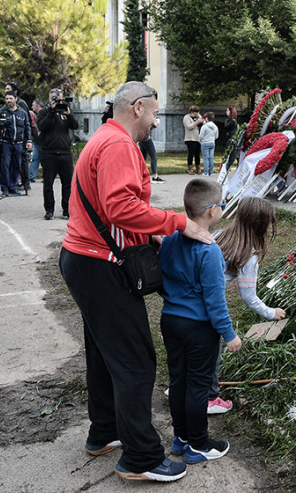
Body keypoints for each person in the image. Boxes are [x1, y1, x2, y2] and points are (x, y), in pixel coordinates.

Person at [59, 81, 213, 483]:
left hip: (83, 259)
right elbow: (120, 207)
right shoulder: (119, 144)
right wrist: (177, 222)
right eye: (156, 114)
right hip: (100, 265)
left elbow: (113, 207)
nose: (157, 122)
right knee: (136, 360)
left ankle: (104, 432)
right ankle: (141, 457)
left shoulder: (104, 138)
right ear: (138, 108)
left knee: (104, 354)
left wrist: (149, 233)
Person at [159, 178, 242, 463]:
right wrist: (229, 334)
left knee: (178, 381)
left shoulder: (170, 240)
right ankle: (198, 445)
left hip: (170, 320)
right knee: (197, 386)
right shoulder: (209, 249)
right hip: (198, 329)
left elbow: (163, 279)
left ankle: (181, 438)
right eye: (222, 204)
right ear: (211, 211)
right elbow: (215, 301)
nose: (222, 209)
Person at [204, 196, 285, 413]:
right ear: (260, 224)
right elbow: (249, 297)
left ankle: (180, 387)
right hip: (210, 307)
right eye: (270, 222)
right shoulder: (248, 255)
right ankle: (210, 398)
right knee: (211, 354)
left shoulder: (220, 235)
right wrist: (271, 313)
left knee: (192, 349)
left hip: (191, 299)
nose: (271, 226)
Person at [37, 88, 77, 220]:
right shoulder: (43, 112)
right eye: (55, 99)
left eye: (59, 99)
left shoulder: (64, 111)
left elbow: (75, 126)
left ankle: (67, 209)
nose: (58, 101)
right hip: (49, 152)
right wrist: (51, 112)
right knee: (48, 183)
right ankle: (49, 210)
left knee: (67, 183)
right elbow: (42, 127)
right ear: (49, 99)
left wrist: (69, 115)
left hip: (65, 152)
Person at [0, 92, 32, 197]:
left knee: (16, 165)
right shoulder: (1, 112)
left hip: (18, 143)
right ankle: (4, 188)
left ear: (16, 99)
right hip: (5, 143)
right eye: (7, 98)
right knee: (5, 166)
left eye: (10, 98)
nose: (8, 101)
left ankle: (13, 186)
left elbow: (27, 127)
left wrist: (29, 140)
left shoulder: (22, 113)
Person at [4, 82, 32, 192]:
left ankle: (24, 183)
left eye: (8, 89)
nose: (6, 91)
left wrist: (27, 139)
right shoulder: (3, 110)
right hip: (7, 141)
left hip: (20, 140)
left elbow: (26, 123)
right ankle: (7, 186)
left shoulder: (21, 106)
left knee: (21, 162)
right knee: (7, 164)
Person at [182, 106, 204, 175]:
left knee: (197, 154)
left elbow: (204, 124)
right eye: (194, 113)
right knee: (191, 154)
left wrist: (202, 121)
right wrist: (196, 122)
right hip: (190, 138)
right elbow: (189, 126)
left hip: (198, 138)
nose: (196, 115)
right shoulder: (186, 117)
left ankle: (198, 168)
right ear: (191, 112)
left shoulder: (199, 116)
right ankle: (190, 168)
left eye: (197, 113)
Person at [198, 112, 218, 176]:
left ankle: (206, 172)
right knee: (211, 157)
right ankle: (210, 171)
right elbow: (216, 136)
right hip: (212, 142)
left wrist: (200, 141)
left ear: (206, 119)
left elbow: (201, 136)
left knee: (206, 158)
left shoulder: (204, 127)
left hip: (205, 143)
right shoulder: (215, 127)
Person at [29, 100, 43, 183]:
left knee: (43, 159)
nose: (32, 106)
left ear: (38, 105)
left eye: (33, 105)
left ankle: (46, 176)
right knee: (35, 158)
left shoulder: (43, 114)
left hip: (42, 140)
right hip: (36, 140)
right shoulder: (34, 115)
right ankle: (31, 176)